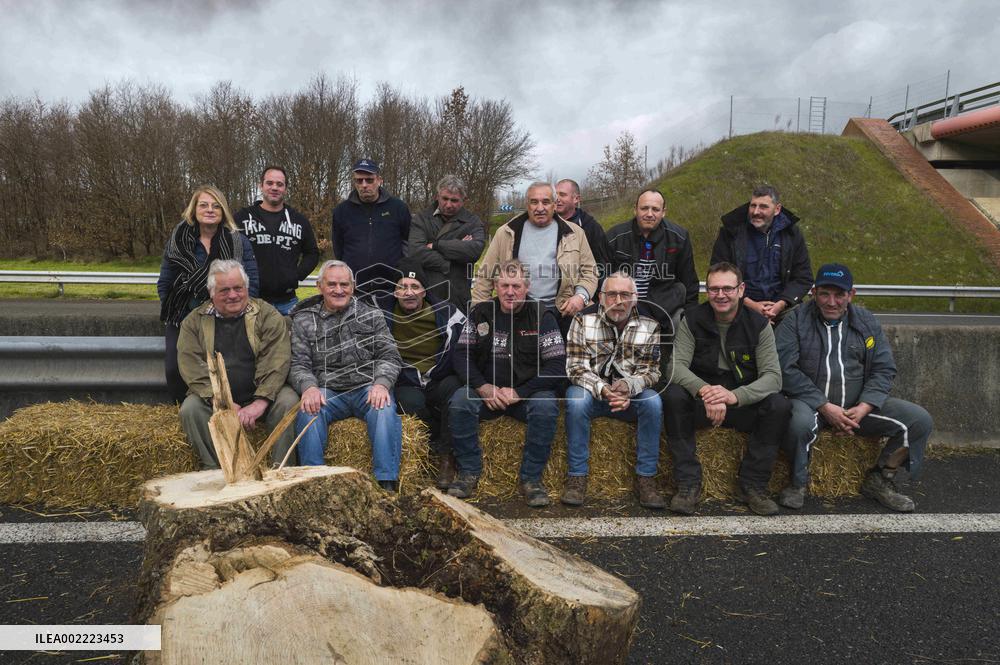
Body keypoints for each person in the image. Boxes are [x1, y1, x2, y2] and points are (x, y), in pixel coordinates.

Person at [776, 263, 933, 512]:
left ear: (851, 295)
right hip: (811, 404)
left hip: (856, 408)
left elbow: (884, 369)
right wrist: (824, 406)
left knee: (919, 420)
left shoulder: (866, 322)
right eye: (825, 294)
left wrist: (864, 406)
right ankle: (797, 483)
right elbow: (785, 369)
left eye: (839, 295)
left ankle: (880, 479)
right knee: (798, 422)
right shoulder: (795, 320)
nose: (831, 302)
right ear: (813, 293)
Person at [663, 262, 790, 516]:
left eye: (727, 288)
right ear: (706, 291)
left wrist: (734, 396)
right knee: (673, 395)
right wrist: (705, 391)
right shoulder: (692, 319)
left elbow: (773, 377)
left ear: (741, 289)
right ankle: (689, 483)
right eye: (714, 289)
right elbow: (674, 368)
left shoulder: (759, 325)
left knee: (779, 404)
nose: (720, 295)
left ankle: (753, 485)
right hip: (704, 402)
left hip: (741, 403)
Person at [449, 259, 565, 507]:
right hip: (487, 395)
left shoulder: (543, 315)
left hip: (526, 397)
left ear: (527, 286)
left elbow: (557, 366)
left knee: (546, 406)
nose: (510, 292)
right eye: (504, 286)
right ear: (495, 286)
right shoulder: (480, 312)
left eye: (516, 285)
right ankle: (468, 472)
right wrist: (482, 387)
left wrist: (520, 392)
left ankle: (531, 479)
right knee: (460, 400)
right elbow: (461, 354)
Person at [288, 259, 404, 491]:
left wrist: (381, 384)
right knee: (308, 409)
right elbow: (298, 363)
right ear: (319, 286)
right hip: (327, 392)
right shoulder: (303, 319)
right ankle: (314, 483)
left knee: (384, 408)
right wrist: (308, 387)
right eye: (332, 284)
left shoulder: (371, 315)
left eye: (344, 284)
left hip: (366, 389)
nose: (338, 290)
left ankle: (386, 483)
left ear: (353, 286)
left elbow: (389, 355)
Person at [176, 259, 298, 469]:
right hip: (219, 399)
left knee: (288, 401)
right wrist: (222, 401)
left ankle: (281, 469)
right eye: (224, 290)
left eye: (238, 288)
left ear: (246, 288)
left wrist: (260, 402)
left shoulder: (267, 315)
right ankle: (215, 469)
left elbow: (276, 360)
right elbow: (191, 366)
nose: (233, 295)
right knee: (190, 408)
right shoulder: (194, 322)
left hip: (263, 394)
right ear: (211, 292)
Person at [563, 272, 665, 508]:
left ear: (635, 298)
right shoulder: (581, 321)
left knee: (653, 402)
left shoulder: (650, 326)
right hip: (593, 395)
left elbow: (652, 372)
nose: (618, 300)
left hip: (631, 397)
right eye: (611, 294)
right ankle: (577, 477)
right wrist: (603, 389)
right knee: (576, 398)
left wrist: (629, 387)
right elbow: (575, 367)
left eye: (625, 294)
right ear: (601, 297)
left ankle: (646, 479)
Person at [158, 185, 260, 403]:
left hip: (225, 316)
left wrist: (234, 310)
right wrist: (178, 310)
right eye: (203, 205)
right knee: (175, 368)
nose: (210, 210)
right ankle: (184, 408)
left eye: (216, 206)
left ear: (223, 211)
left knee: (226, 368)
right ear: (194, 209)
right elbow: (165, 282)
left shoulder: (237, 241)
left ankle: (225, 408)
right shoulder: (177, 241)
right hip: (184, 315)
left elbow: (251, 280)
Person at [377, 258, 466, 489]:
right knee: (411, 403)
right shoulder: (382, 314)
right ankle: (426, 451)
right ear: (395, 292)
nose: (409, 292)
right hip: (406, 378)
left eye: (414, 287)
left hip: (438, 375)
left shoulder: (448, 314)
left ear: (424, 291)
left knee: (455, 392)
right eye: (402, 287)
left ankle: (446, 457)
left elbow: (461, 350)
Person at [472, 181, 597, 335]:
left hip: (561, 312)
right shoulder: (506, 232)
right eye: (534, 202)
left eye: (545, 202)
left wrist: (580, 297)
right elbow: (485, 277)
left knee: (559, 358)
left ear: (554, 204)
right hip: (516, 312)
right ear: (527, 204)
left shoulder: (575, 233)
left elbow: (590, 271)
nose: (540, 208)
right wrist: (480, 315)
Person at [711, 185, 812, 324]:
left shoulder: (792, 234)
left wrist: (780, 305)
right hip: (738, 308)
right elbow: (718, 274)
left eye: (763, 207)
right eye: (753, 206)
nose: (756, 211)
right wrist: (751, 305)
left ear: (777, 209)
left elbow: (803, 277)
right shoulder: (730, 232)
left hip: (783, 311)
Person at [607, 189, 699, 331]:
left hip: (663, 307)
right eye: (644, 208)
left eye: (655, 209)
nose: (649, 214)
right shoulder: (615, 236)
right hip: (623, 304)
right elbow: (602, 277)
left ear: (663, 212)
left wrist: (692, 315)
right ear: (635, 210)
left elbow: (689, 281)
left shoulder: (679, 237)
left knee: (681, 319)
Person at [234, 165, 320, 315]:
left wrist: (296, 275)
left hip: (288, 302)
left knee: (289, 339)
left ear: (285, 188)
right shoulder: (242, 218)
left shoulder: (298, 220)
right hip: (252, 301)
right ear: (260, 185)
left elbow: (312, 253)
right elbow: (228, 251)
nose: (274, 188)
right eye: (269, 183)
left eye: (279, 184)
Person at [331, 159, 411, 296]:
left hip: (391, 287)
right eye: (359, 180)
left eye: (369, 180)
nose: (364, 185)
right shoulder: (341, 211)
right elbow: (339, 248)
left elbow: (408, 243)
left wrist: (401, 273)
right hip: (355, 288)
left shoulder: (398, 208)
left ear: (379, 180)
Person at [407, 174, 486, 311]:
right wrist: (448, 262)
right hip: (426, 295)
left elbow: (475, 250)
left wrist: (437, 246)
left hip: (458, 296)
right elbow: (416, 252)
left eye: (454, 200)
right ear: (437, 196)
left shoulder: (472, 222)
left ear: (464, 200)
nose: (448, 205)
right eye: (445, 199)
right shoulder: (421, 219)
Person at [555, 178, 613, 276]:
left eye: (562, 195)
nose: (557, 198)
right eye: (555, 194)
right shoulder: (546, 224)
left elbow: (602, 265)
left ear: (576, 199)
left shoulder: (591, 228)